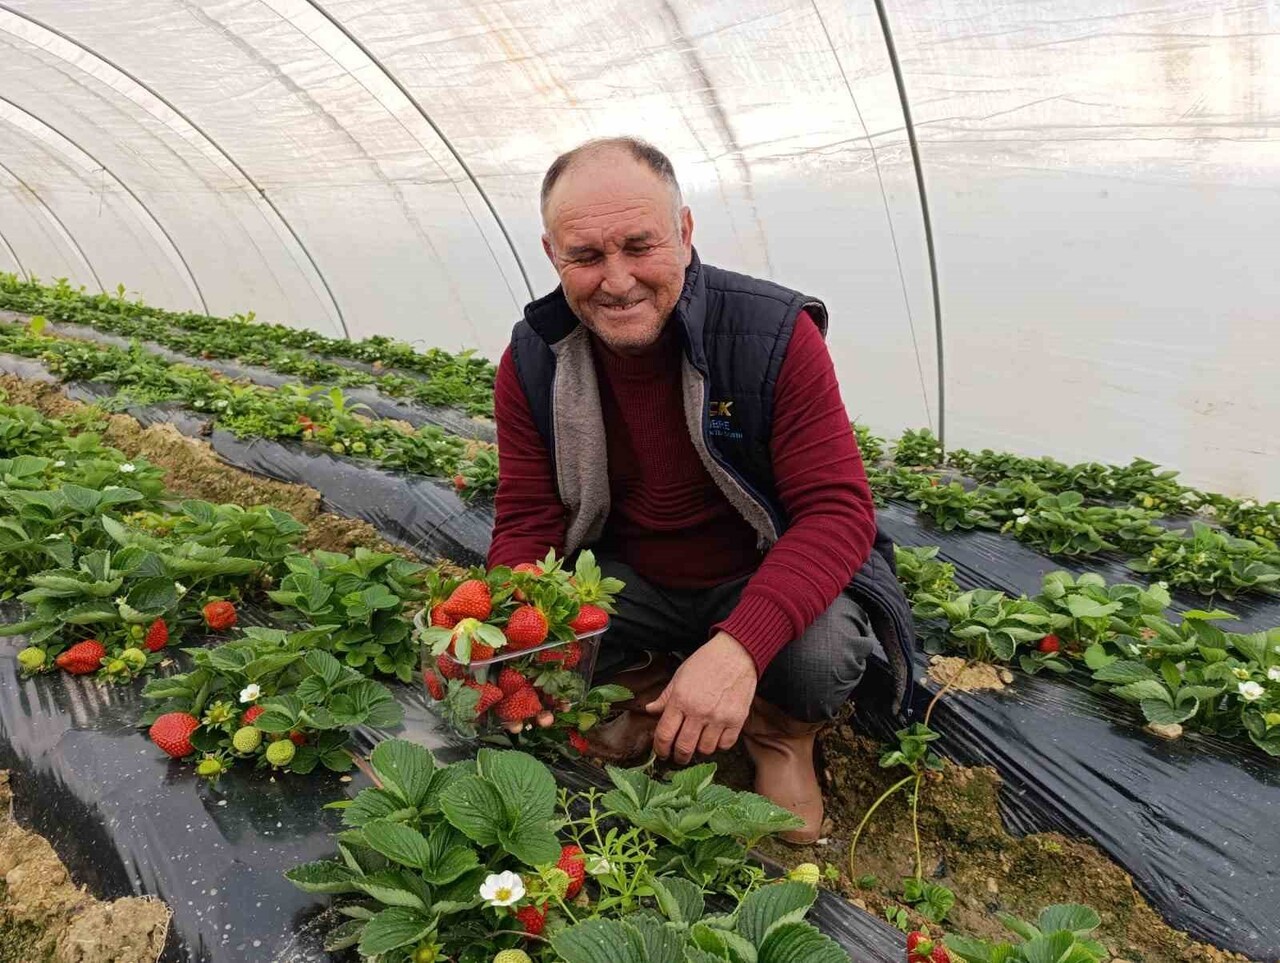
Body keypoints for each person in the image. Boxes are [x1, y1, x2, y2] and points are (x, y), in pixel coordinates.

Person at [487, 137, 915, 843]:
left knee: (819, 658)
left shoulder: (773, 334)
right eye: (586, 257)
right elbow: (529, 516)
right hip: (631, 580)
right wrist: (515, 626)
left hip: (756, 569)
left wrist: (741, 647)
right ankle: (654, 679)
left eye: (639, 245)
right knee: (540, 644)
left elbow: (837, 511)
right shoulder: (534, 359)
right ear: (551, 253)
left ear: (684, 233)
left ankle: (780, 733)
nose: (617, 279)